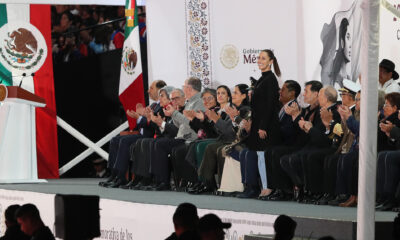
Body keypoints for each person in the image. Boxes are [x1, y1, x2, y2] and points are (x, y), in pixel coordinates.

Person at [100, 80, 166, 188]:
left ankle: (121, 177)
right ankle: (114, 174)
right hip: (142, 134)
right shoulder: (154, 105)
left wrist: (140, 117)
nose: (148, 91)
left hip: (150, 136)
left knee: (124, 140)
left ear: (160, 90)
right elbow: (146, 122)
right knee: (115, 140)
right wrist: (140, 116)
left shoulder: (161, 107)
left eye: (151, 88)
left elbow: (153, 125)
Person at [238, 49, 281, 199]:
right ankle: (263, 186)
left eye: (263, 58)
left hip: (266, 124)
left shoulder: (271, 79)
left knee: (263, 156)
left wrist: (263, 126)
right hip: (258, 122)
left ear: (271, 61)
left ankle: (267, 187)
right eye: (258, 58)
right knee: (259, 155)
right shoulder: (263, 78)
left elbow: (270, 105)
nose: (260, 60)